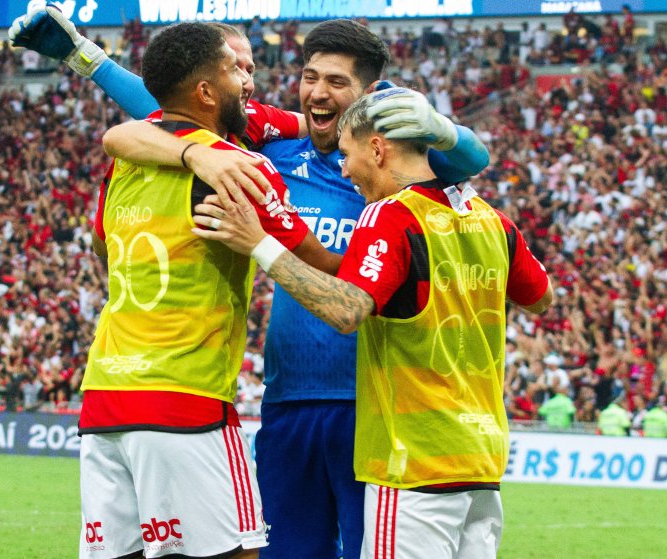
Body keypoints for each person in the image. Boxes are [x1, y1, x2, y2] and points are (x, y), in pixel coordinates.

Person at [11, 10, 490, 559]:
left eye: (337, 82)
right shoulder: (272, 149)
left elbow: (474, 159)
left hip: (376, 404)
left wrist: (440, 126)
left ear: (370, 94)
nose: (318, 92)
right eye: (311, 77)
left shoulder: (398, 163)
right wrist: (86, 60)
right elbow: (171, 114)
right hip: (288, 405)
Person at [193, 88, 552, 559]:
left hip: (412, 463)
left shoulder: (389, 214)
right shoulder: (492, 221)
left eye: (347, 154)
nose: (343, 168)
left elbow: (346, 310)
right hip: (481, 462)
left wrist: (259, 244)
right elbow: (541, 298)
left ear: (378, 149)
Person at [78, 22, 340, 559]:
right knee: (240, 551)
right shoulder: (239, 167)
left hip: (105, 397)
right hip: (186, 398)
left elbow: (102, 249)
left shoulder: (125, 161)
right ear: (205, 91)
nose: (248, 83)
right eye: (236, 71)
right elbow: (323, 264)